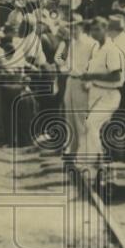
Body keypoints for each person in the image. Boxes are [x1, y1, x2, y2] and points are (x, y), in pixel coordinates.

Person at [79, 17, 124, 164]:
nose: (94, 33)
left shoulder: (111, 49)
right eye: (92, 30)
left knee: (91, 123)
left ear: (106, 30)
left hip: (109, 94)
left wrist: (91, 75)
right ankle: (90, 160)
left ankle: (98, 159)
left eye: (98, 29)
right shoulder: (97, 48)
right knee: (91, 127)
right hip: (95, 91)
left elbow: (116, 76)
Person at [54, 16, 97, 157]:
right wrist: (66, 47)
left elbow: (95, 63)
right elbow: (58, 59)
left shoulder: (91, 43)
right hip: (70, 80)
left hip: (83, 81)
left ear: (82, 27)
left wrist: (90, 81)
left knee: (81, 116)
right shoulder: (68, 42)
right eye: (71, 27)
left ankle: (83, 149)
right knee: (69, 115)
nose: (73, 30)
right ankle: (71, 147)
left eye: (76, 26)